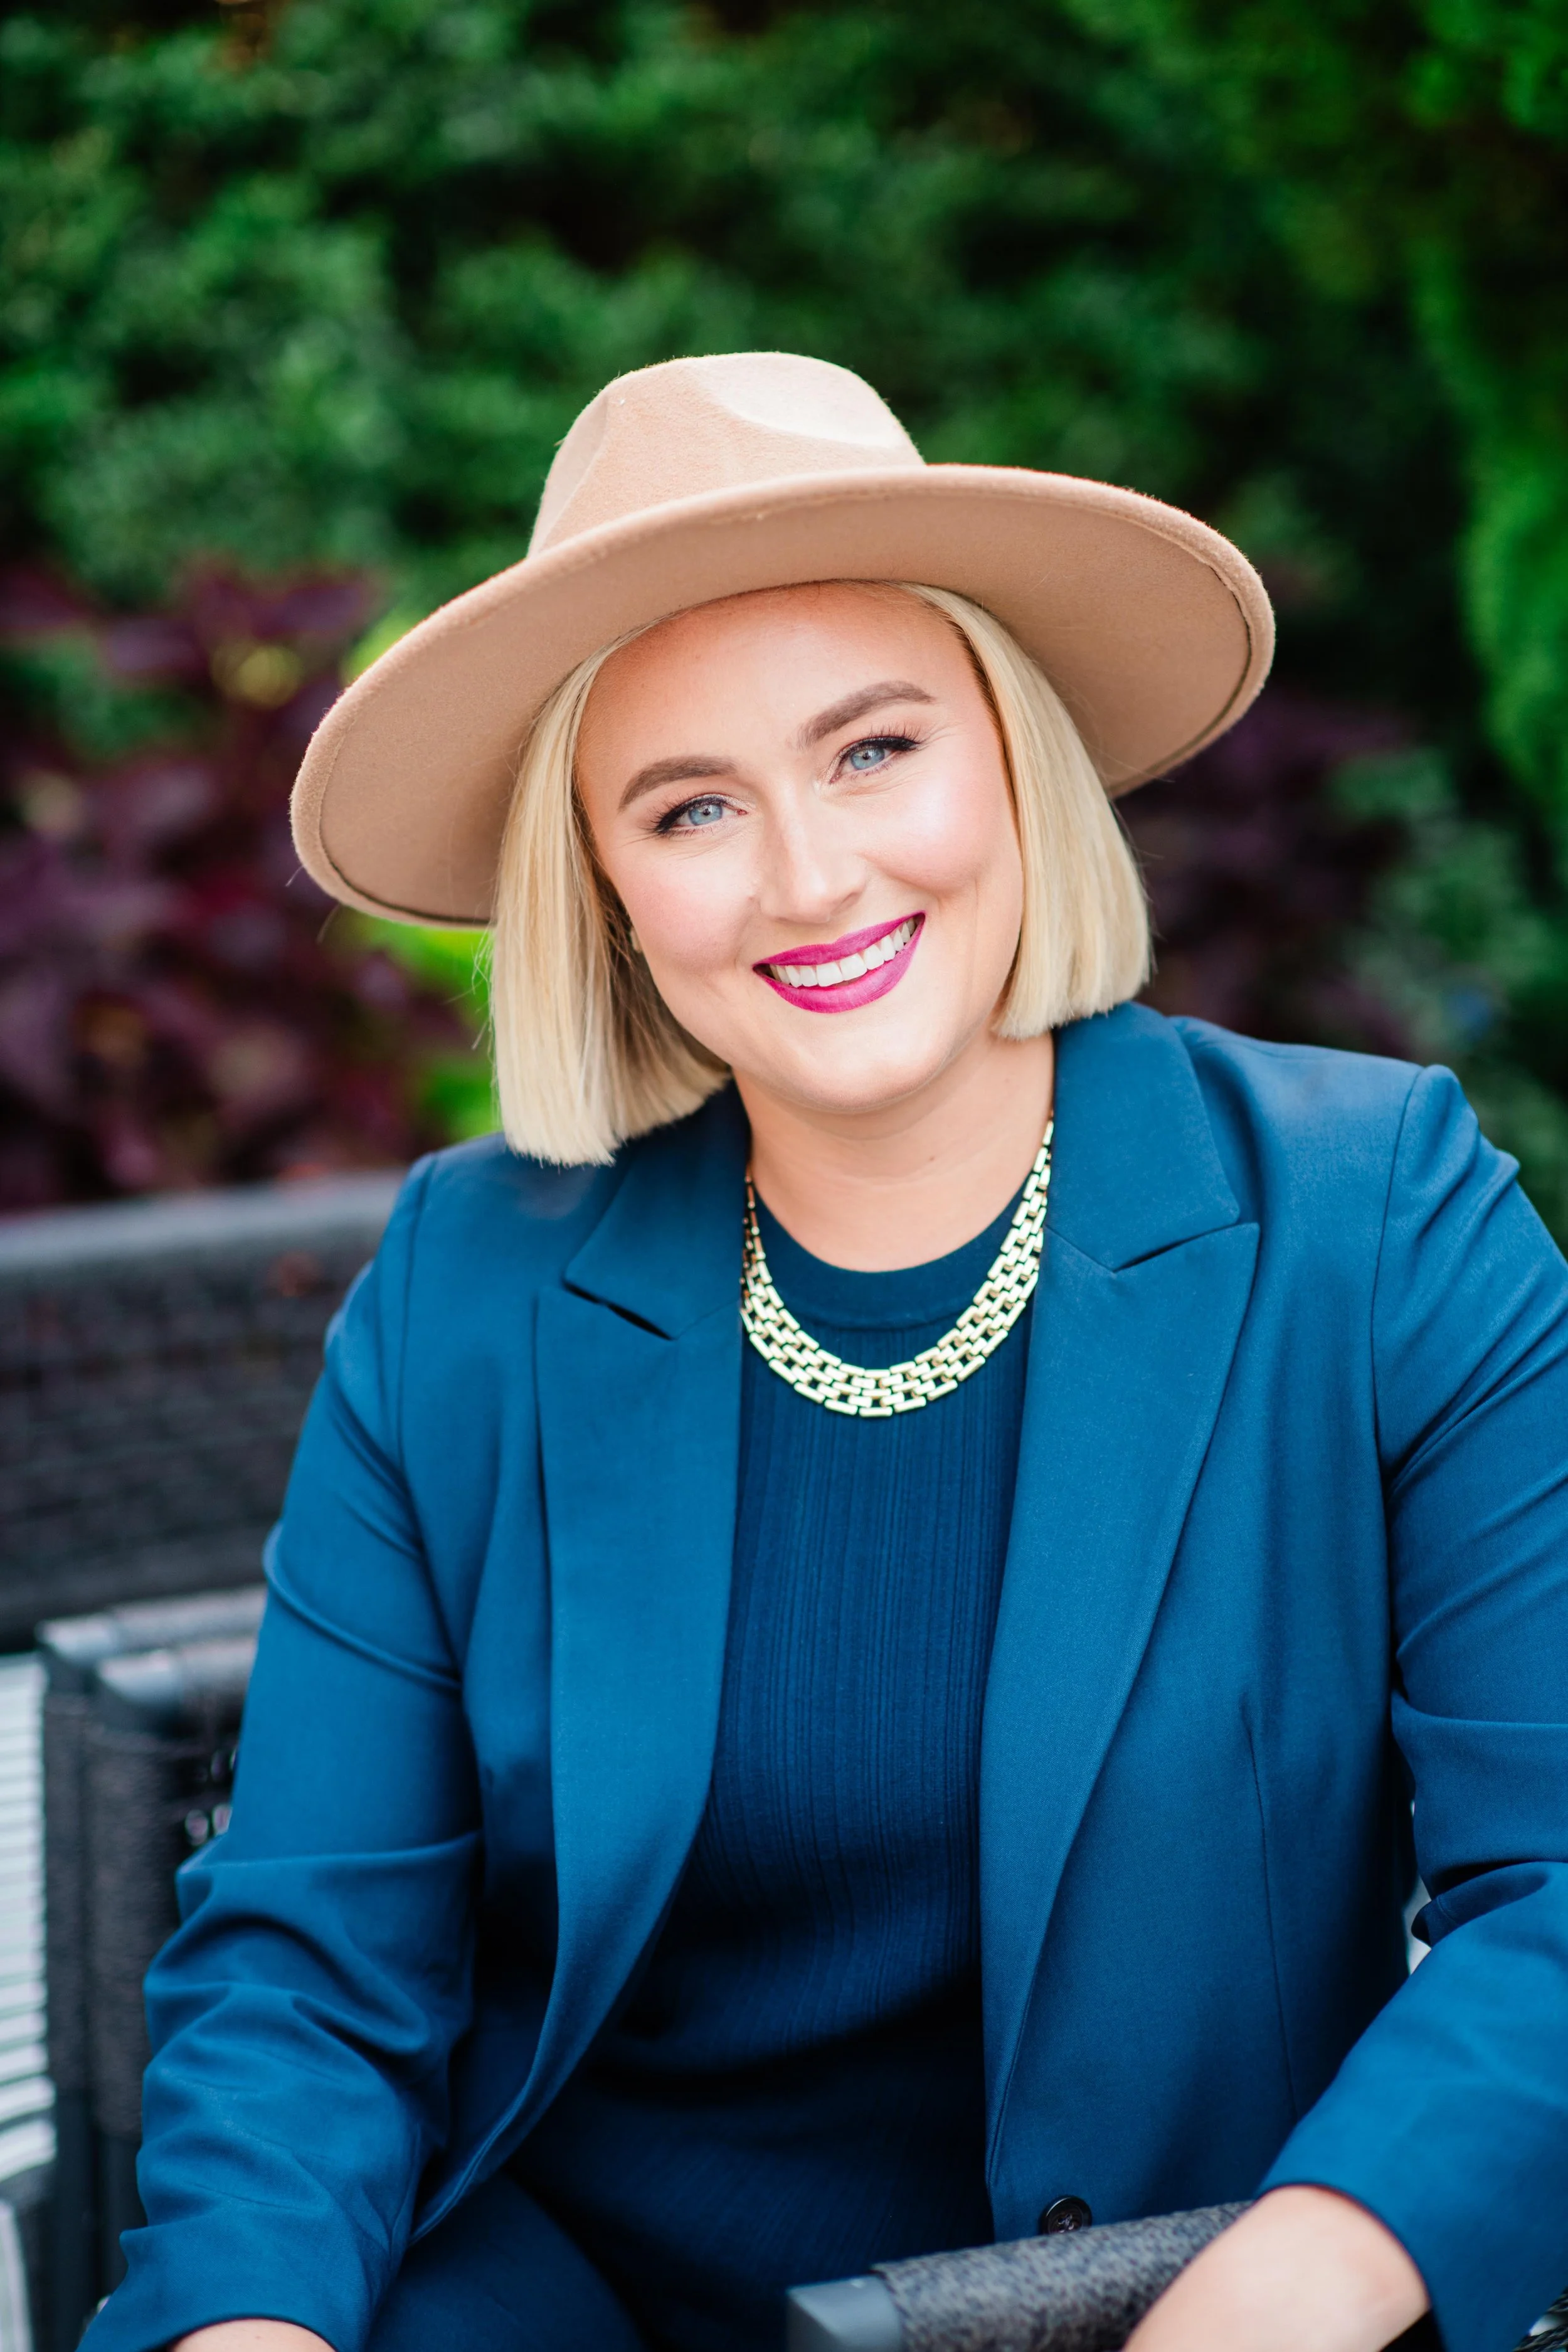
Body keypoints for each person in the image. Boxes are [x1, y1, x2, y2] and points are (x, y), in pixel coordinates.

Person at [86, 354, 1568, 2352]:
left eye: (872, 749)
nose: (805, 876)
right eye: (690, 805)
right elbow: (309, 1958)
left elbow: (1553, 1894)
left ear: (1010, 755)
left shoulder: (1376, 1217)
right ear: (606, 893)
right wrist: (243, 2329)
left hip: (1156, 2309)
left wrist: (1281, 2291)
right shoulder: (469, 1280)